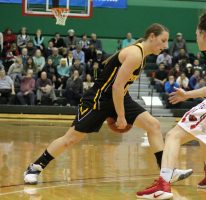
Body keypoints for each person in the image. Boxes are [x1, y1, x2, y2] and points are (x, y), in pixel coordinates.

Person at [23, 23, 192, 185]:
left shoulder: (143, 57)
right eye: (163, 40)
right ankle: (35, 167)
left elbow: (120, 88)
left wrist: (121, 110)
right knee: (71, 139)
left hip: (120, 97)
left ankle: (166, 173)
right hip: (99, 99)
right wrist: (120, 115)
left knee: (153, 125)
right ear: (152, 36)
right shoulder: (135, 54)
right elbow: (116, 86)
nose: (165, 45)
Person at [137, 6, 206, 199]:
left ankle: (163, 185)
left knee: (173, 135)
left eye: (197, 34)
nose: (196, 38)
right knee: (204, 133)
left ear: (203, 34)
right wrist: (187, 95)